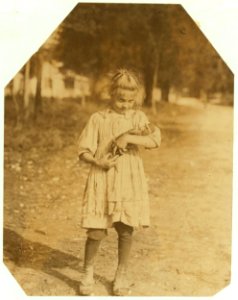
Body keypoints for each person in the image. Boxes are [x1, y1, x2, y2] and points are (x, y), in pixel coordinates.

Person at [77, 69, 161, 296]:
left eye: (130, 101)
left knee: (125, 228)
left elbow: (155, 139)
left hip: (128, 179)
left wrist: (128, 137)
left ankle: (121, 274)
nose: (125, 105)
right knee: (96, 230)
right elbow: (83, 150)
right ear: (111, 94)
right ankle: (88, 272)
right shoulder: (98, 119)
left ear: (137, 99)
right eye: (120, 100)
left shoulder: (138, 118)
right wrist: (98, 161)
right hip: (103, 177)